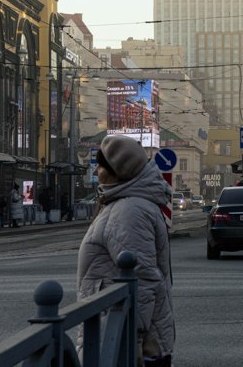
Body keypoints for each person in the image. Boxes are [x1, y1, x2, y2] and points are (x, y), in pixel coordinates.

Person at [76, 135, 174, 366]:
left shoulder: (129, 210)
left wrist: (135, 338)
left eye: (101, 166)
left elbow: (141, 278)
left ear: (118, 171)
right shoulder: (129, 203)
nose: (97, 171)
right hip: (113, 329)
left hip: (120, 338)